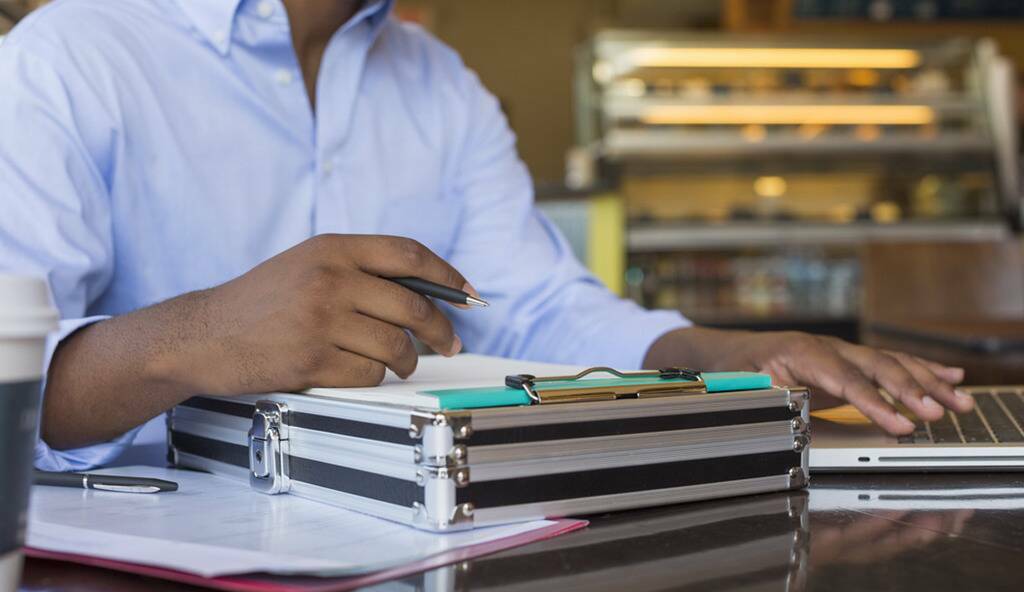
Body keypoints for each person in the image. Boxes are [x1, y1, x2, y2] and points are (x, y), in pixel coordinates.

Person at [0, 0, 974, 471]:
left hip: (414, 565)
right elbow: (12, 392)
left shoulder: (438, 81)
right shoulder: (70, 59)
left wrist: (725, 352)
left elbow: (535, 302)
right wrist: (198, 335)